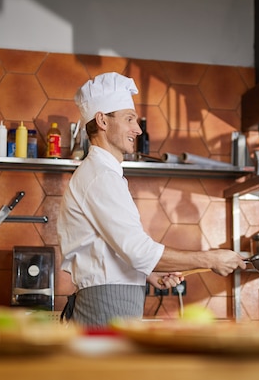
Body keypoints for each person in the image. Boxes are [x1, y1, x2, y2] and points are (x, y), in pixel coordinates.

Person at [57, 72, 246, 327]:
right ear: (102, 120)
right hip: (105, 307)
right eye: (130, 119)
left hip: (111, 302)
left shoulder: (102, 174)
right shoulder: (100, 177)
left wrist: (149, 274)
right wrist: (210, 259)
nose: (137, 129)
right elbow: (138, 251)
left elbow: (110, 249)